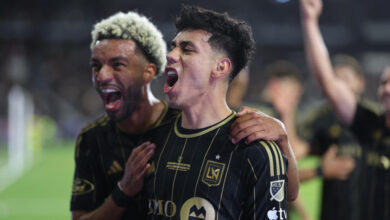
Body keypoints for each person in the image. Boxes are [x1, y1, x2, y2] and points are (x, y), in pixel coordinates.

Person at [71, 10, 298, 220]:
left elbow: (290, 193)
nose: (170, 55)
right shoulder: (151, 143)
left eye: (187, 49)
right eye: (173, 47)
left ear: (220, 68)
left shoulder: (255, 148)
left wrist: (283, 141)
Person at [300, 0, 390, 219]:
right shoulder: (369, 124)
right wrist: (309, 21)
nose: (386, 89)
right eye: (383, 83)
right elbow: (327, 81)